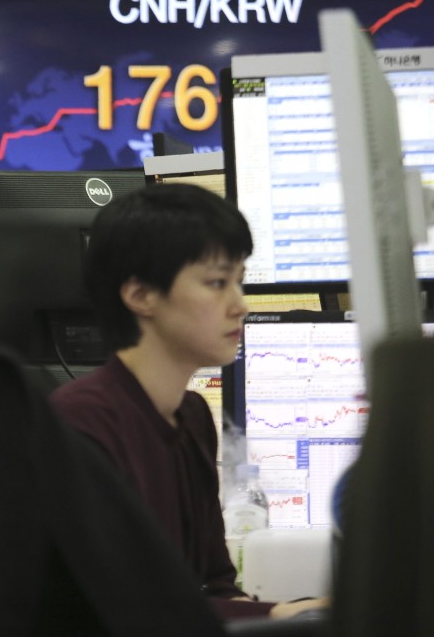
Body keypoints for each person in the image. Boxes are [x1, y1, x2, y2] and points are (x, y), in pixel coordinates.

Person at [49, 184, 327, 621]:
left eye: (239, 282)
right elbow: (133, 609)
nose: (240, 306)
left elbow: (214, 582)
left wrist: (297, 613)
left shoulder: (192, 415)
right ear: (140, 295)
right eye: (217, 283)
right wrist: (279, 616)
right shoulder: (83, 422)